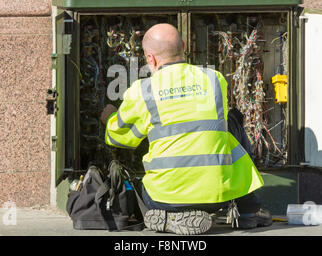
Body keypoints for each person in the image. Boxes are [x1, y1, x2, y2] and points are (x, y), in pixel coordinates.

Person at [100, 23, 272, 235]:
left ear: (150, 59)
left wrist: (109, 118)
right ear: (183, 45)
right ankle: (248, 210)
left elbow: (118, 138)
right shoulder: (214, 79)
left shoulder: (143, 90)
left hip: (163, 199)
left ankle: (169, 218)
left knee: (142, 177)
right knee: (233, 123)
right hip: (219, 196)